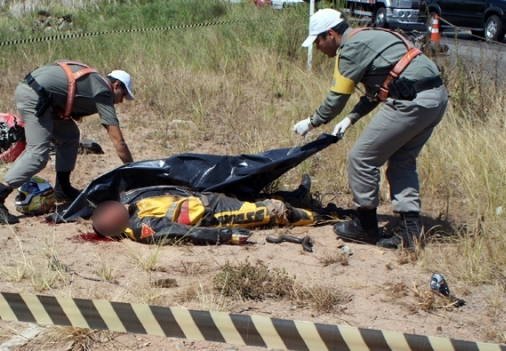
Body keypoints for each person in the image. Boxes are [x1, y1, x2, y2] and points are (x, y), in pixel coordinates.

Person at [293, 9, 447, 249]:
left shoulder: (350, 50)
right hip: (434, 98)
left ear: (331, 34)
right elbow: (381, 88)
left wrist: (312, 122)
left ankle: (365, 227)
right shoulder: (367, 35)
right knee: (402, 160)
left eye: (318, 41)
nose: (319, 49)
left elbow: (336, 99)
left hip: (411, 101)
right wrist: (352, 119)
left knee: (361, 158)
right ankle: (410, 231)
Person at [0, 60, 135, 225]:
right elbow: (119, 142)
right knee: (38, 154)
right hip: (35, 97)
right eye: (123, 95)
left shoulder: (94, 80)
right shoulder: (103, 91)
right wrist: (134, 171)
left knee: (69, 134)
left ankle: (63, 187)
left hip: (42, 97)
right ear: (116, 85)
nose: (121, 101)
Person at [90, 175, 320, 245]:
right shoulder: (142, 226)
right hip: (213, 213)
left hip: (203, 195)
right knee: (275, 211)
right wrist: (226, 236)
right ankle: (324, 217)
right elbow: (180, 232)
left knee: (253, 195)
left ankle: (299, 196)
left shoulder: (129, 200)